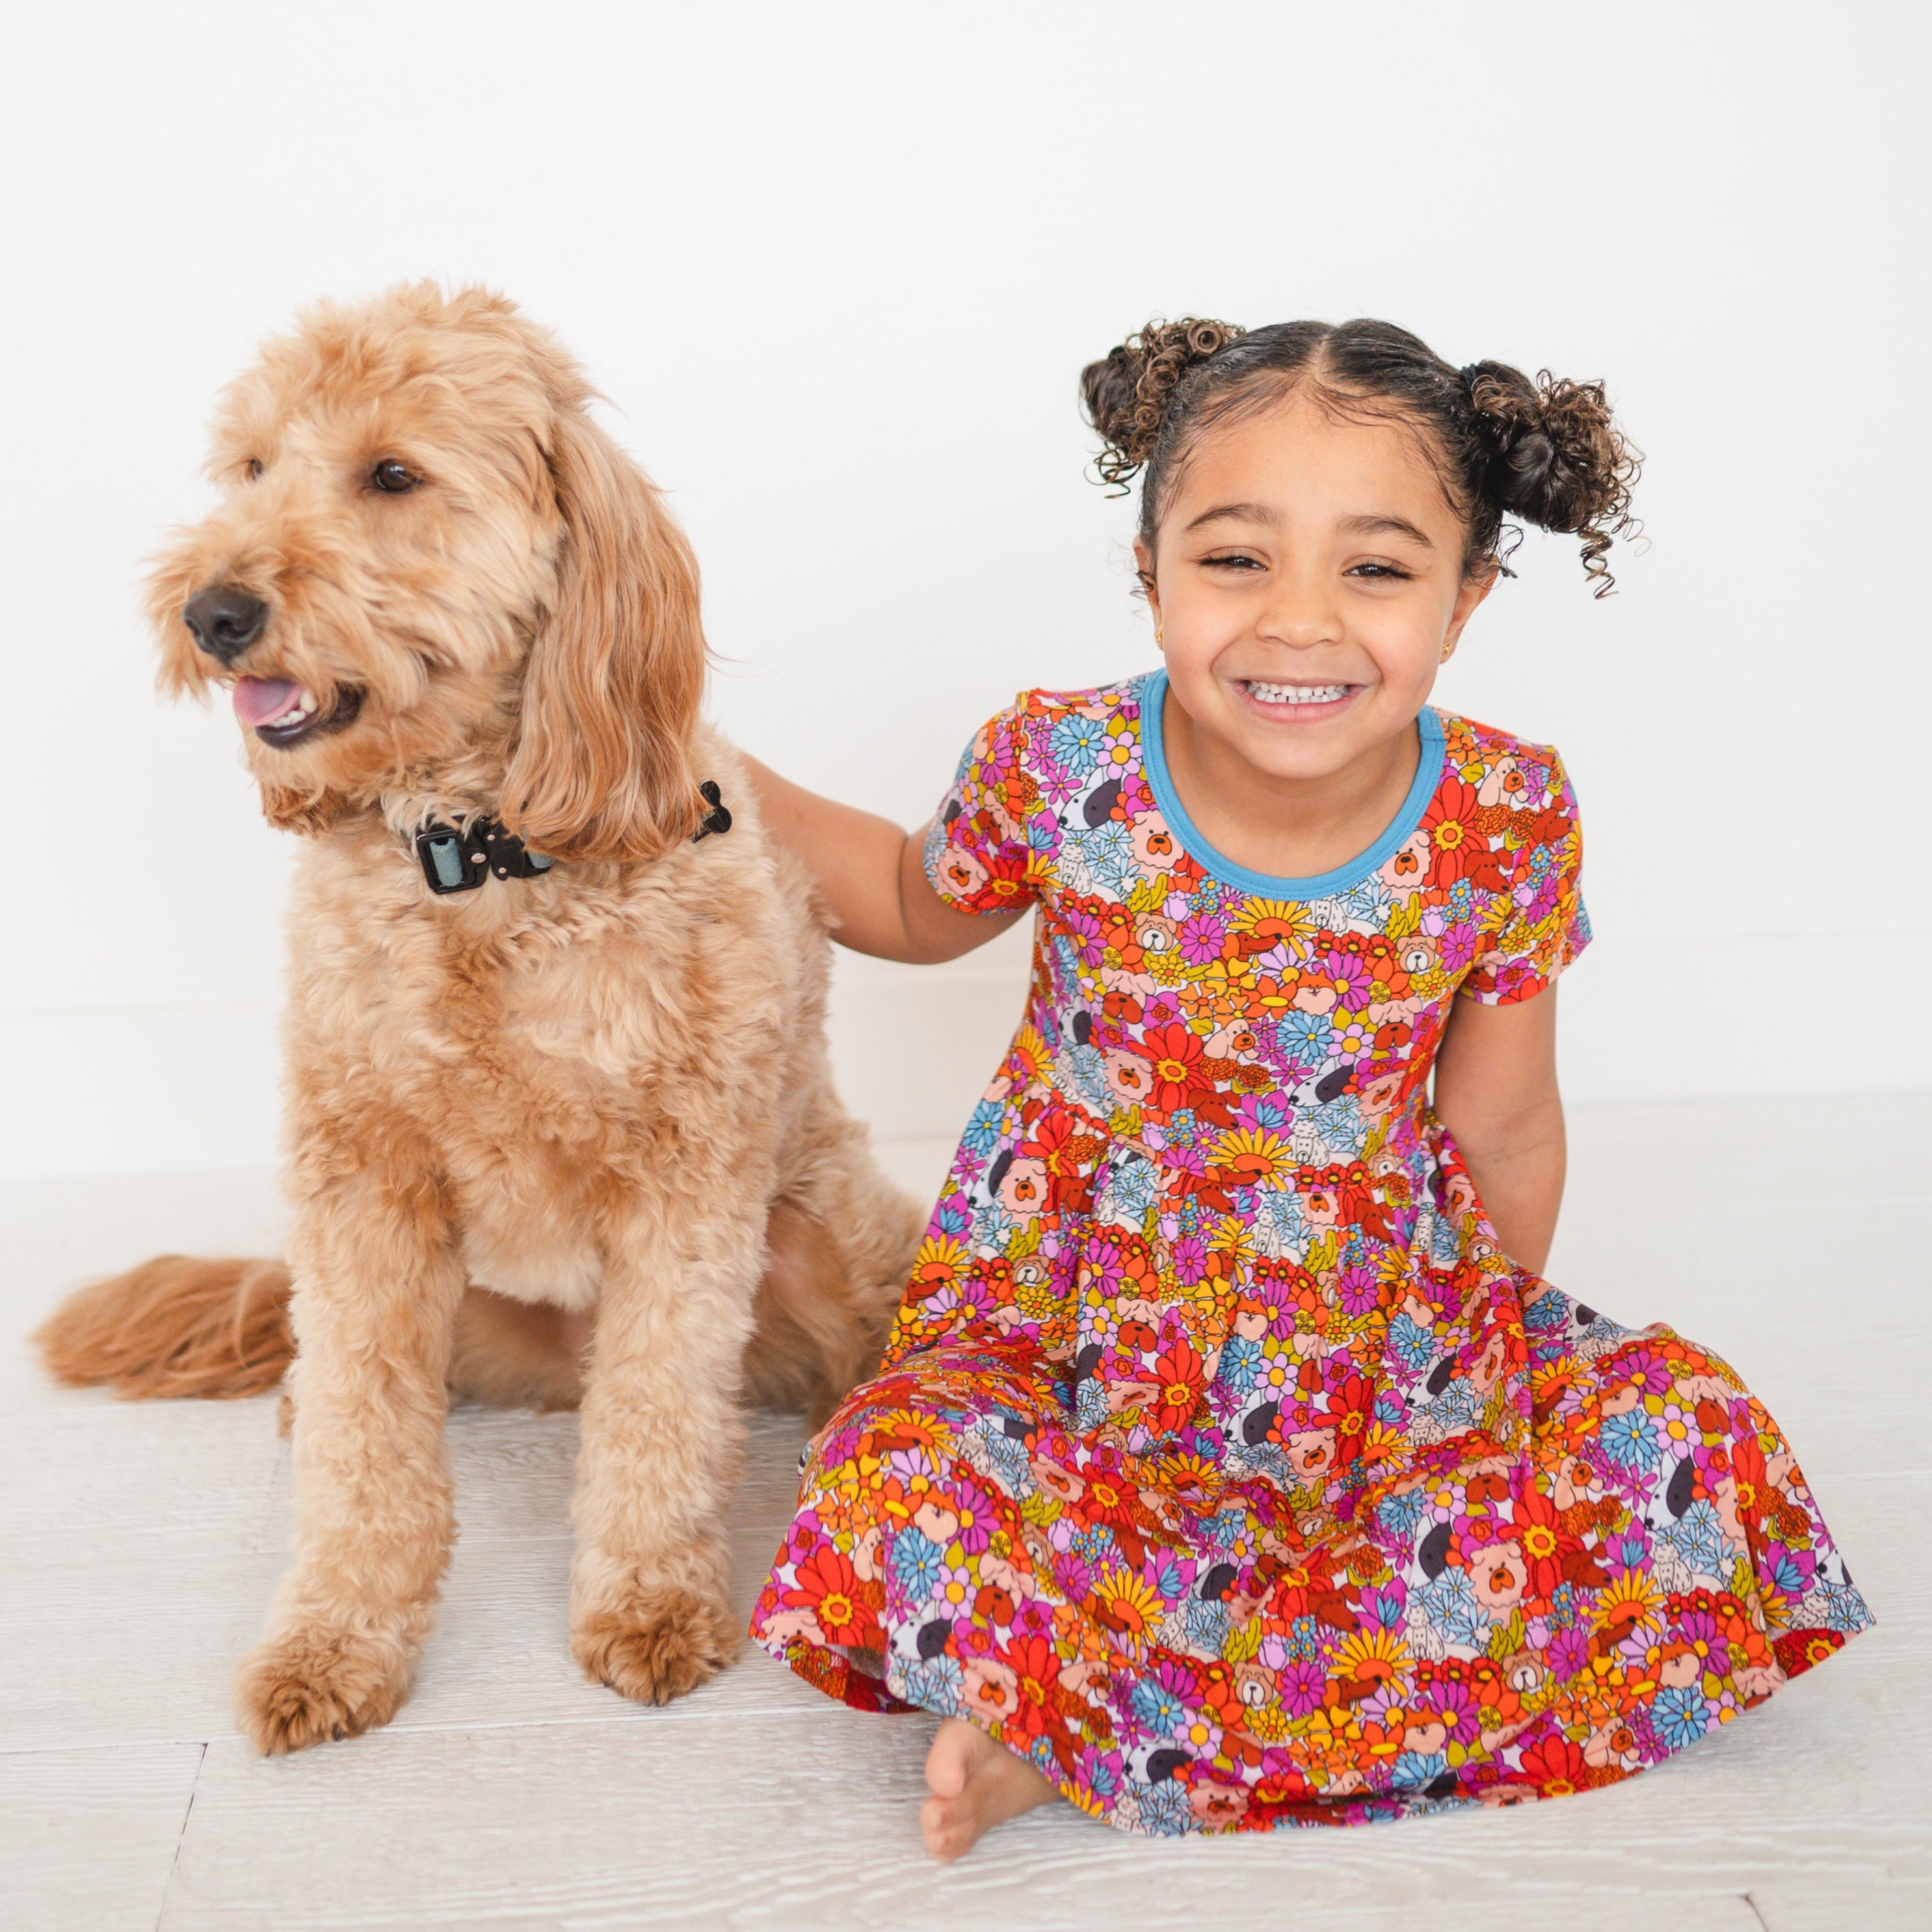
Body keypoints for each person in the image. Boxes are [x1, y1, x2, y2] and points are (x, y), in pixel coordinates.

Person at [742, 317, 1871, 1859]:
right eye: (1233, 560)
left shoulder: (1502, 818)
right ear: (1146, 572)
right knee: (895, 1472)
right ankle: (1046, 1710)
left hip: (1367, 1327)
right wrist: (698, 769)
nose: (1299, 623)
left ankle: (1105, 1716)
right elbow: (899, 894)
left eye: (1377, 568)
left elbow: (1504, 1119)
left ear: (1466, 598)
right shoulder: (1059, 766)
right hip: (1075, 1327)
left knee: (1688, 1439)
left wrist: (1469, 1380)